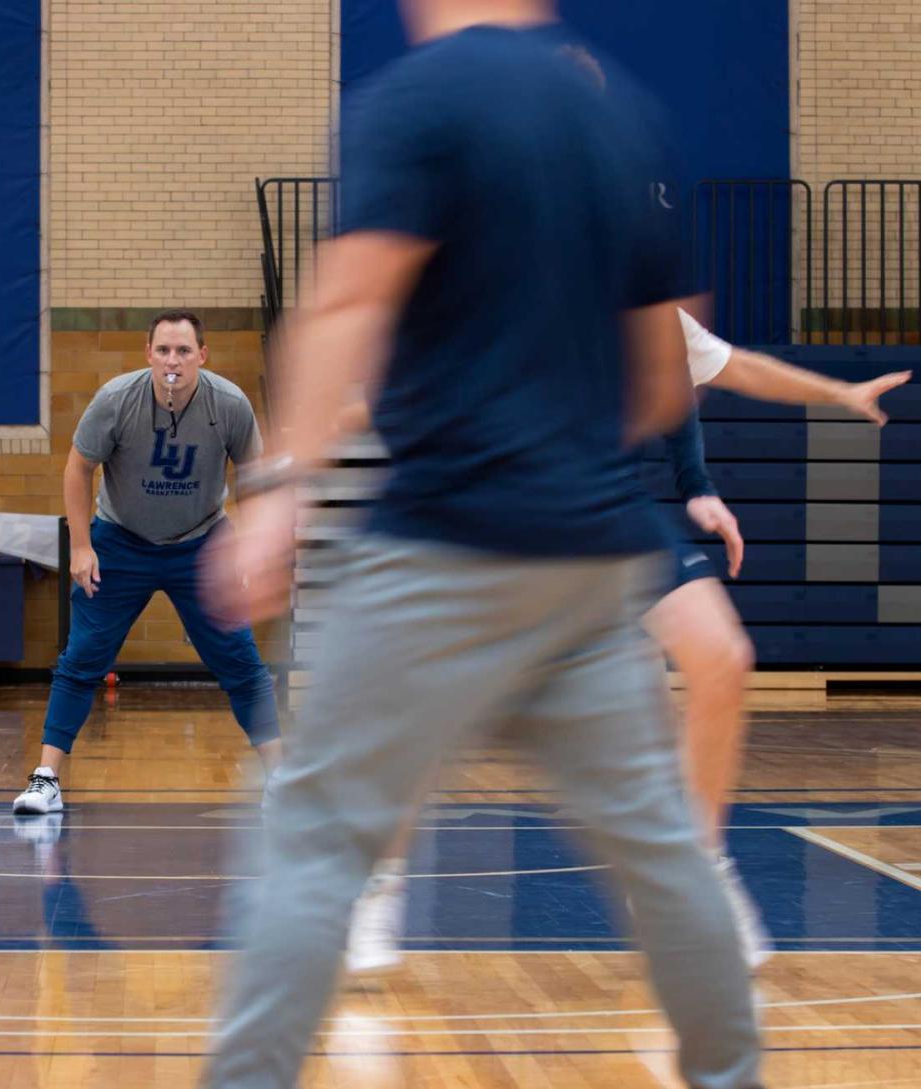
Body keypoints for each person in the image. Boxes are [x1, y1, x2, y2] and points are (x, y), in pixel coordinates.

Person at [197, 2, 766, 1086]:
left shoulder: (415, 100)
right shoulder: (623, 120)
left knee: (314, 835)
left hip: (443, 549)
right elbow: (656, 382)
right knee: (664, 853)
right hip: (594, 564)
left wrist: (277, 490)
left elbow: (345, 304)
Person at [343, 314, 910, 973]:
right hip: (491, 504)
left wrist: (833, 397)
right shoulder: (491, 278)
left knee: (722, 657)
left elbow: (727, 366)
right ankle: (377, 885)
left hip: (602, 506)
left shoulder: (642, 295)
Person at [11, 310, 280, 815]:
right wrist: (82, 546)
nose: (172, 360)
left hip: (201, 543)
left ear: (202, 355)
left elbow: (252, 473)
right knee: (82, 657)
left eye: (183, 351)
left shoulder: (230, 405)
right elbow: (78, 467)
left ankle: (281, 776)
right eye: (163, 350)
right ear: (148, 354)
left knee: (240, 660)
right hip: (121, 541)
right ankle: (46, 779)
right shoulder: (116, 399)